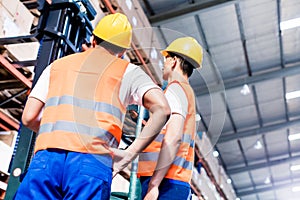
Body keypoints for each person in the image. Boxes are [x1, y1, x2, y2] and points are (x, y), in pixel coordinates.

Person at [15, 13, 170, 199]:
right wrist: (129, 154)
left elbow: (29, 117)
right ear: (122, 51)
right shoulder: (128, 71)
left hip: (46, 159)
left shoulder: (57, 66)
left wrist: (60, 134)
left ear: (93, 39)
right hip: (92, 161)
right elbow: (162, 108)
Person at [137, 37, 204, 200]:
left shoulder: (175, 90)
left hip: (165, 183)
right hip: (174, 180)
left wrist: (153, 185)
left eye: (165, 60)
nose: (163, 65)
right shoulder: (186, 92)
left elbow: (173, 139)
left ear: (174, 61)